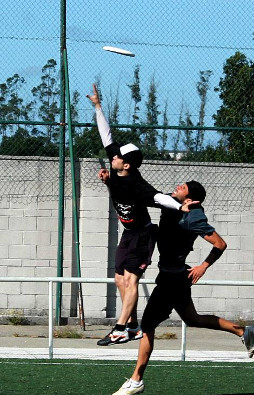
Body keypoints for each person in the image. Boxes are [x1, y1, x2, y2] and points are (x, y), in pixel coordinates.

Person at [111, 180, 254, 395]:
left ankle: (136, 380)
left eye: (184, 187)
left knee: (147, 327)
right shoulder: (170, 204)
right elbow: (146, 195)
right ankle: (242, 331)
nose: (179, 186)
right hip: (174, 275)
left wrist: (204, 266)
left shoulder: (193, 216)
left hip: (172, 280)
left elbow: (220, 244)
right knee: (192, 319)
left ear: (190, 199)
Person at [86, 85, 195, 346]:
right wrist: (98, 106)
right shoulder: (117, 166)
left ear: (127, 164)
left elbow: (158, 197)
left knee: (132, 279)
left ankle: (121, 327)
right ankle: (133, 325)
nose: (113, 156)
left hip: (144, 234)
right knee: (119, 280)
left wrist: (180, 207)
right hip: (129, 232)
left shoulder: (137, 184)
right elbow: (106, 135)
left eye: (119, 156)